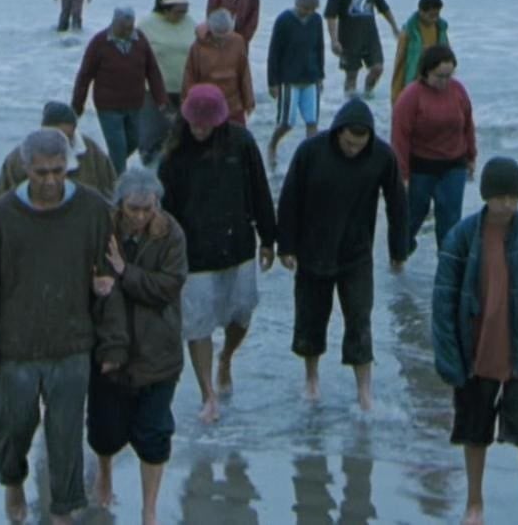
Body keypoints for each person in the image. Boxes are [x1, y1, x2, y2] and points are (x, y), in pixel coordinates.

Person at [0, 129, 129, 524]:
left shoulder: (92, 209)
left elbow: (108, 279)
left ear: (68, 166)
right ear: (26, 168)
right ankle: (13, 480)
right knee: (13, 426)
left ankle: (63, 509)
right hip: (15, 346)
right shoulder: (2, 215)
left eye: (58, 170)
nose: (51, 180)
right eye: (41, 172)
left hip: (71, 342)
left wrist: (113, 343)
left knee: (66, 433)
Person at [432, 157, 518, 525]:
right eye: (501, 197)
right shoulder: (460, 237)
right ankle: (474, 502)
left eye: (513, 197)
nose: (507, 204)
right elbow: (443, 302)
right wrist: (448, 357)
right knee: (475, 433)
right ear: (486, 196)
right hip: (474, 349)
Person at [275, 98, 408, 410]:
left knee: (360, 320)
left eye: (359, 145)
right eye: (349, 143)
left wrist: (399, 249)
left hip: (356, 253)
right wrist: (286, 246)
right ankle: (311, 379)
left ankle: (364, 391)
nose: (353, 149)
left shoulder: (381, 156)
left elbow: (398, 204)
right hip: (312, 250)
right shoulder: (311, 152)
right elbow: (289, 198)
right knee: (310, 318)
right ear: (338, 132)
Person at [156, 85, 276, 425]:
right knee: (198, 323)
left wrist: (269, 238)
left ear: (219, 121)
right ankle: (208, 393)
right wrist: (165, 254)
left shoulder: (242, 143)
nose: (199, 130)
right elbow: (165, 211)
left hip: (238, 244)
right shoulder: (174, 153)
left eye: (206, 124)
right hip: (193, 253)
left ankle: (226, 357)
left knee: (243, 312)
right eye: (194, 123)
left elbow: (260, 189)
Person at [89, 169, 187, 525]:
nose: (142, 216)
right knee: (104, 430)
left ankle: (149, 509)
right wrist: (97, 283)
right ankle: (104, 472)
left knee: (154, 433)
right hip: (110, 347)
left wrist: (124, 271)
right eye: (134, 208)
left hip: (158, 349)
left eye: (149, 208)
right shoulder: (103, 229)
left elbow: (169, 286)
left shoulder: (171, 233)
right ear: (120, 204)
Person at [392, 45, 477, 254]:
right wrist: (402, 175)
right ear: (426, 72)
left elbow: (467, 124)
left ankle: (447, 263)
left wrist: (471, 156)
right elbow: (400, 137)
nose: (445, 82)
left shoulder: (458, 90)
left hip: (454, 165)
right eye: (440, 76)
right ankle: (399, 256)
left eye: (449, 76)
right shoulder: (411, 96)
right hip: (421, 167)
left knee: (450, 221)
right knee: (412, 217)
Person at [72, 6, 170, 175]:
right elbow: (85, 75)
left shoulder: (140, 40)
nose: (127, 32)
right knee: (118, 148)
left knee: (134, 141)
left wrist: (161, 100)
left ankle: (103, 171)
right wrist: (77, 105)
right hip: (108, 107)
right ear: (114, 23)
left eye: (130, 28)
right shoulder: (99, 42)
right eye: (123, 28)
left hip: (135, 104)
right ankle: (117, 183)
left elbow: (152, 71)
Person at [0, 101, 119, 201]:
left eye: (66, 138)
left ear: (74, 130)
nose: (59, 144)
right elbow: (1, 199)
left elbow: (112, 193)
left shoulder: (93, 154)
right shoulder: (19, 158)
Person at [324, 0, 400, 98]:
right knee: (351, 74)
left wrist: (394, 27)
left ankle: (368, 94)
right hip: (348, 39)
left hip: (370, 36)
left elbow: (383, 7)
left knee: (377, 68)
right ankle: (349, 102)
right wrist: (334, 40)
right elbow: (330, 16)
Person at [266, 0, 325, 167]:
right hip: (289, 80)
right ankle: (272, 146)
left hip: (311, 78)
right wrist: (272, 82)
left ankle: (311, 157)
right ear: (297, 3)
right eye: (304, 8)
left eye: (311, 9)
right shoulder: (284, 20)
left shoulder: (316, 20)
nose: (307, 12)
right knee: (287, 123)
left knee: (312, 122)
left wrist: (320, 75)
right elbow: (274, 52)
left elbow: (319, 47)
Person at [138, 0, 197, 165]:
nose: (182, 15)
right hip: (153, 92)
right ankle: (150, 168)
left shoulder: (190, 23)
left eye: (185, 10)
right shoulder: (146, 26)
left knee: (182, 134)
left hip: (184, 89)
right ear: (165, 9)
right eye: (178, 11)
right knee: (153, 133)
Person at [182, 9, 255, 126]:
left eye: (226, 36)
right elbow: (189, 76)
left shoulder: (238, 41)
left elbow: (244, 73)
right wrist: (188, 102)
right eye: (218, 36)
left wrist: (249, 102)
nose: (222, 40)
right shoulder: (197, 47)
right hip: (207, 104)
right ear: (210, 30)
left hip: (233, 105)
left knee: (236, 134)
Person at [391, 0, 448, 105]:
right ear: (421, 12)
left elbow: (448, 56)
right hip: (415, 82)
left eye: (437, 15)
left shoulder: (440, 29)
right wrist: (396, 97)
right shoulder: (408, 33)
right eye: (431, 16)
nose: (434, 19)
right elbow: (400, 65)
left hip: (435, 82)